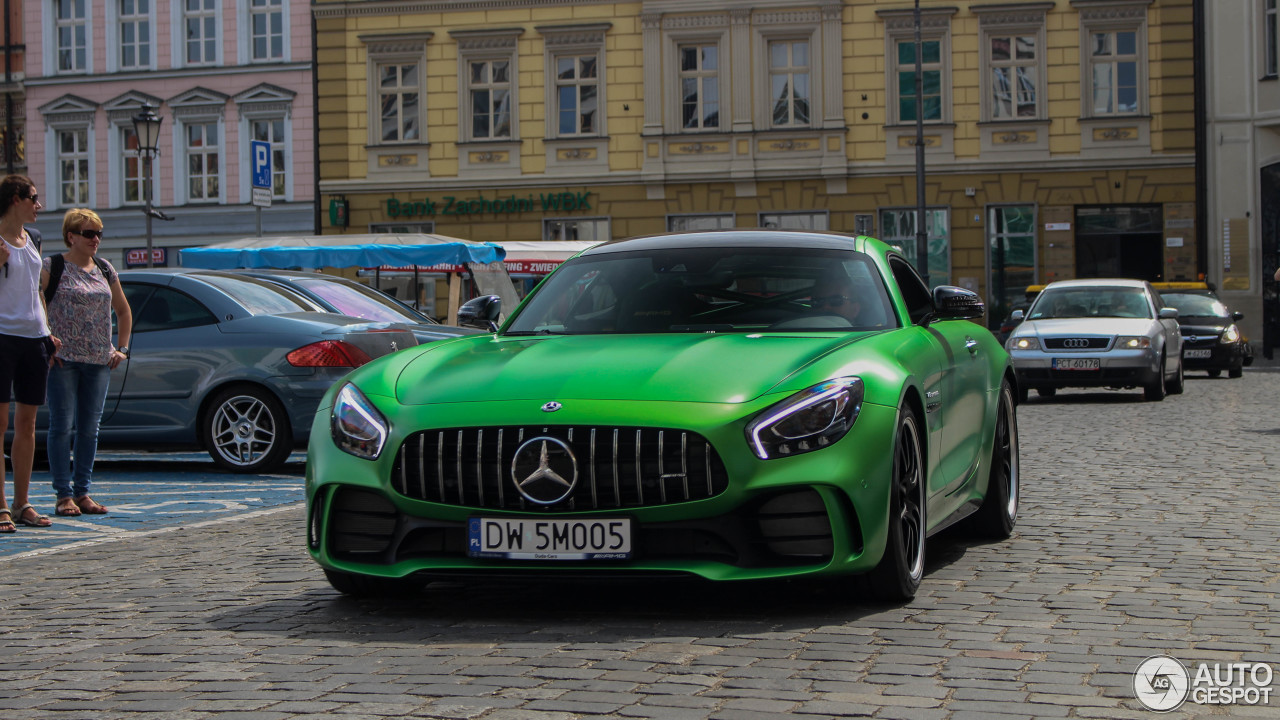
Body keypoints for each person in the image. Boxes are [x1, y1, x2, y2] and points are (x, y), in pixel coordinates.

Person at [42, 209, 132, 517]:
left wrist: (122, 348)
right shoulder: (52, 266)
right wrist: (45, 340)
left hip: (98, 361)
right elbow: (34, 302)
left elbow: (123, 310)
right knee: (61, 427)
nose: (95, 239)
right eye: (88, 233)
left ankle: (82, 492)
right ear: (71, 236)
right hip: (63, 360)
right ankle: (63, 494)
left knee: (89, 429)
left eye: (98, 234)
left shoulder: (105, 269)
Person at [0, 175, 55, 532]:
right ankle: (1, 506)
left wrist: (48, 332)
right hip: (2, 336)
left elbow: (36, 291)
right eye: (34, 198)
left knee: (28, 424)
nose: (39, 205)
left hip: (34, 338)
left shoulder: (33, 238)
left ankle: (22, 503)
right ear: (16, 199)